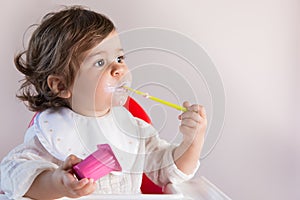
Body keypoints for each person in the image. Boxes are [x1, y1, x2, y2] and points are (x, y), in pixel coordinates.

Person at [0, 6, 207, 199]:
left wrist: (192, 141)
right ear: (61, 86)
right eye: (100, 62)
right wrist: (58, 183)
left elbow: (170, 173)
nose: (119, 69)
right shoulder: (52, 131)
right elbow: (13, 176)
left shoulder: (133, 129)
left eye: (119, 58)